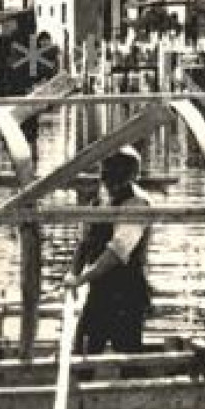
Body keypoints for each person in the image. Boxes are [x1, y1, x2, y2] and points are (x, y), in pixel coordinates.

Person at [59, 145, 154, 354]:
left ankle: (133, 384)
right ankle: (83, 381)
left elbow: (117, 252)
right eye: (105, 172)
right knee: (84, 350)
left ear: (130, 175)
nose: (106, 178)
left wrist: (82, 279)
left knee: (128, 356)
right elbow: (85, 242)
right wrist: (73, 274)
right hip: (100, 291)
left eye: (113, 172)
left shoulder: (136, 204)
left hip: (126, 293)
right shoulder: (101, 200)